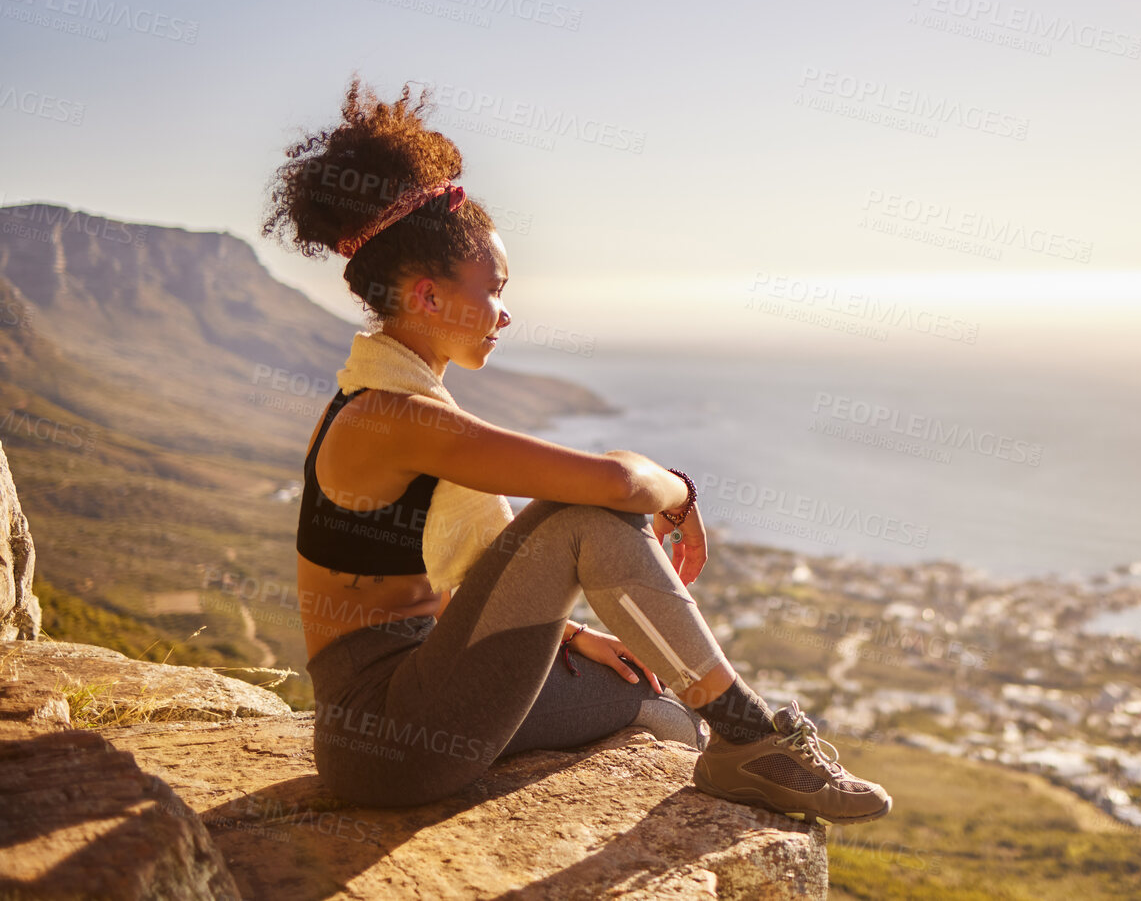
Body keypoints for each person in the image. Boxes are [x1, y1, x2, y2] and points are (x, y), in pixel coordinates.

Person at [261, 75, 891, 824]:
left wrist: (561, 631)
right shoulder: (390, 417)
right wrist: (681, 492)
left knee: (647, 697)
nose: (505, 311)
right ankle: (752, 732)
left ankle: (727, 755)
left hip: (424, 699)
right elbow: (618, 485)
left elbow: (430, 576)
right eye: (492, 288)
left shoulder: (382, 397)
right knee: (582, 516)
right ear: (428, 297)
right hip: (391, 737)